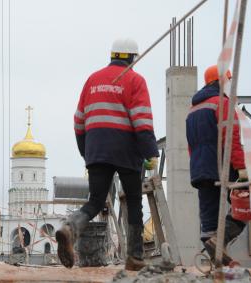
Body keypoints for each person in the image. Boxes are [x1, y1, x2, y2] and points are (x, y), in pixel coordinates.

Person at [56, 38, 159, 271]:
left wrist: (87, 153)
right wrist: (150, 152)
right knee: (134, 202)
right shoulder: (135, 80)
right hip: (126, 151)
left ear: (112, 55)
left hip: (97, 149)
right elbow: (142, 120)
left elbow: (78, 121)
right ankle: (134, 258)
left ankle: (70, 228)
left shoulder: (92, 80)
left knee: (95, 201)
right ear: (133, 58)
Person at [186, 65, 248, 265]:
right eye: (228, 80)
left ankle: (219, 265)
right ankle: (219, 243)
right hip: (221, 167)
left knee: (208, 220)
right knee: (245, 207)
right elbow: (232, 140)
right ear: (219, 81)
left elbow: (191, 146)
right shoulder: (222, 103)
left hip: (200, 170)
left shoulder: (193, 109)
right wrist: (242, 169)